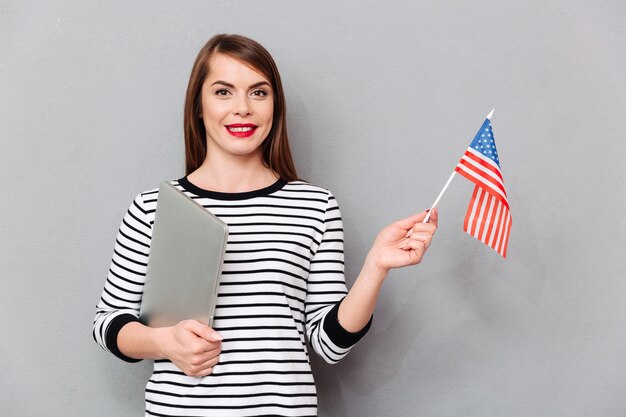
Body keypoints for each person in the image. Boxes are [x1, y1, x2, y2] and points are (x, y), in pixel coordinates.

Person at [93, 34, 438, 417]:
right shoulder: (152, 207)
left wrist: (376, 266)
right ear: (198, 107)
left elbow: (328, 344)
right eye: (223, 92)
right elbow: (109, 323)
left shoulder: (315, 206)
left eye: (259, 93)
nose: (242, 108)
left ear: (275, 106)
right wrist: (164, 342)